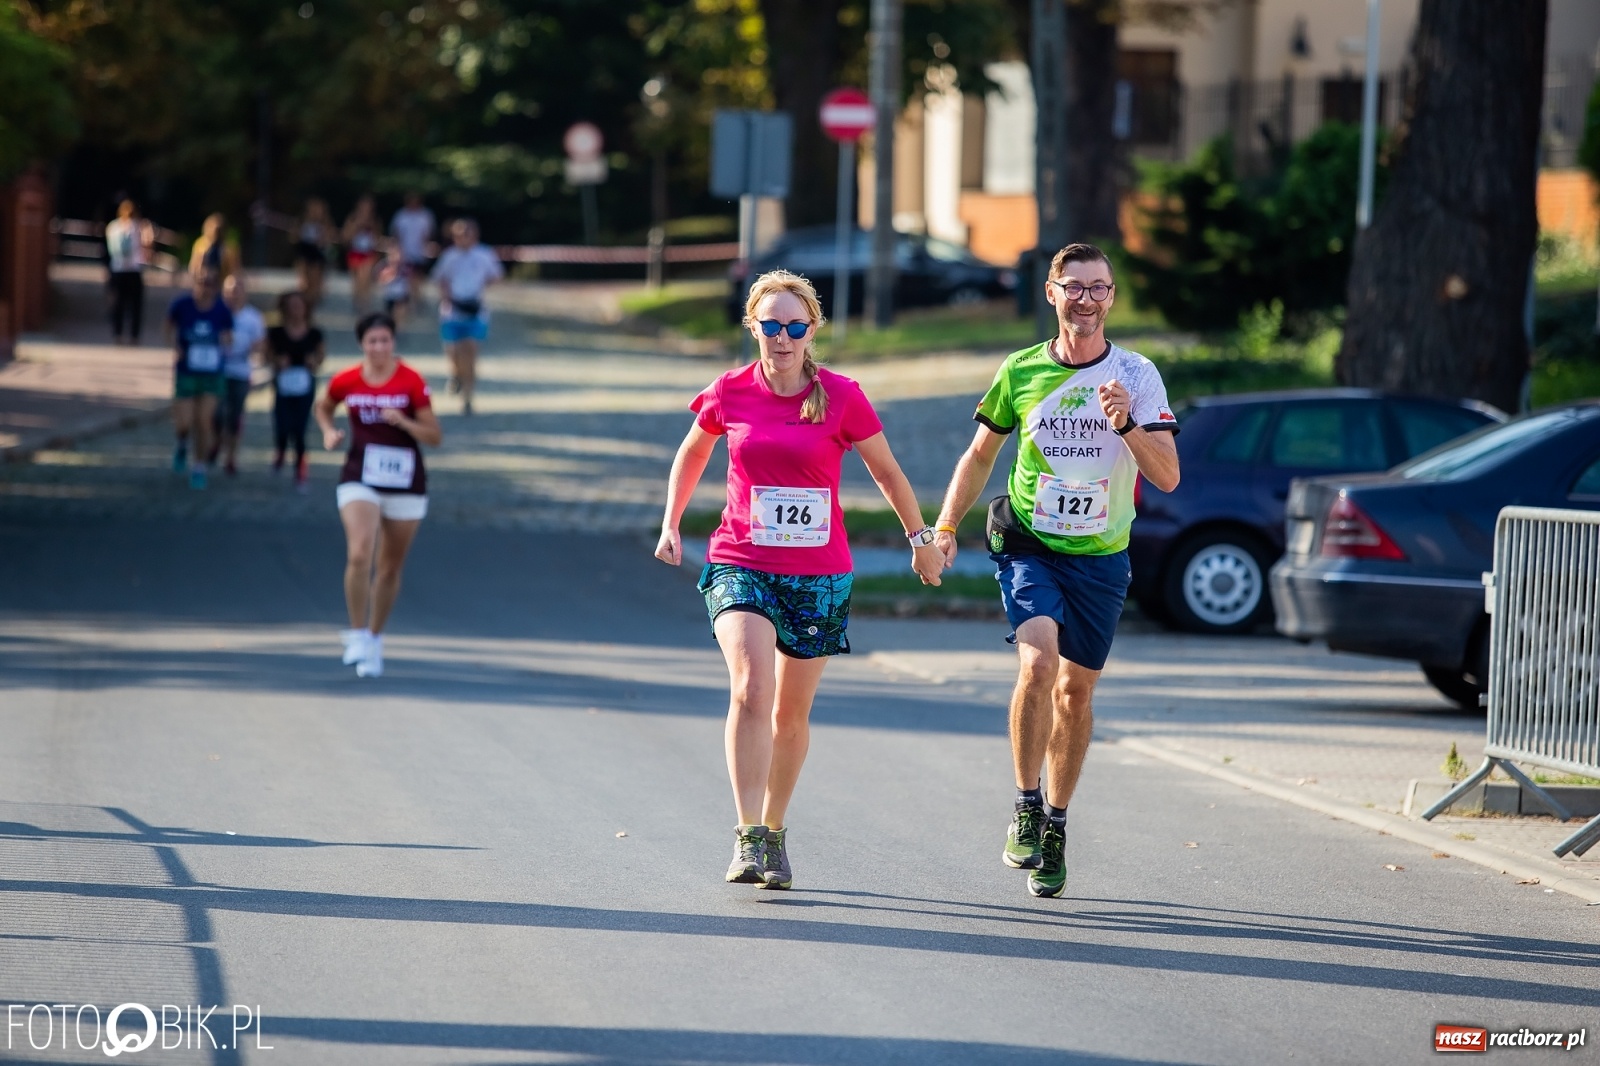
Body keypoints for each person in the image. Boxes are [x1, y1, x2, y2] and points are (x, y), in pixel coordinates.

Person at [655, 269, 945, 890]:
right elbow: (693, 452)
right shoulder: (729, 391)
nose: (781, 337)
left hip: (818, 575)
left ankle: (776, 828)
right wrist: (672, 523)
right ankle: (748, 835)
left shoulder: (842, 396)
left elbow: (889, 474)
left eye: (793, 326)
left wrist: (921, 541)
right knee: (751, 690)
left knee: (790, 713)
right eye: (770, 325)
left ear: (812, 329)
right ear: (752, 327)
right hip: (741, 560)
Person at [930, 243, 1181, 899]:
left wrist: (1126, 424)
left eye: (1100, 288)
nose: (1087, 300)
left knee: (1076, 694)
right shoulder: (1020, 371)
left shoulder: (1138, 374)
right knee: (1038, 664)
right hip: (1030, 542)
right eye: (1075, 287)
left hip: (1101, 558)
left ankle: (1057, 824)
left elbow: (1168, 475)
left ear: (1112, 298)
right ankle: (1024, 804)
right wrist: (946, 526)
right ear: (1052, 293)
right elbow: (979, 456)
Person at [314, 312, 442, 678]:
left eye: (385, 340)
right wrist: (328, 431)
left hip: (405, 481)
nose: (379, 347)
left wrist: (405, 422)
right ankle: (356, 632)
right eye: (372, 341)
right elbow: (324, 405)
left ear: (393, 343)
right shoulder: (348, 379)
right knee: (360, 551)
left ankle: (375, 636)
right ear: (361, 345)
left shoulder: (411, 381)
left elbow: (434, 435)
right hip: (360, 476)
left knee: (388, 568)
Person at [164, 269, 234, 490]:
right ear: (194, 283)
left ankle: (199, 467)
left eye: (211, 283)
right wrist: (175, 346)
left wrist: (225, 341)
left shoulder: (222, 309)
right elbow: (168, 327)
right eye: (202, 282)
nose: (206, 287)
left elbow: (229, 337)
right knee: (184, 422)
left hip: (212, 374)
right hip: (187, 371)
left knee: (204, 422)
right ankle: (182, 442)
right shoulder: (182, 305)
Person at [429, 218, 502, 416]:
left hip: (476, 310)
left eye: (467, 234)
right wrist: (447, 297)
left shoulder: (485, 255)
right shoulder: (449, 257)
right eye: (459, 234)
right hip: (452, 311)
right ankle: (456, 375)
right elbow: (439, 278)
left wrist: (480, 289)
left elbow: (495, 276)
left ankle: (468, 397)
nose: (463, 238)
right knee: (453, 352)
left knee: (470, 352)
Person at [267, 290, 326, 491]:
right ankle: (280, 451)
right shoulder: (276, 332)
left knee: (300, 429)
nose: (296, 310)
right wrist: (277, 361)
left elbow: (320, 358)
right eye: (292, 306)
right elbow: (265, 356)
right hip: (283, 385)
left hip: (304, 386)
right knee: (282, 425)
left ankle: (300, 470)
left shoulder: (314, 333)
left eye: (299, 306)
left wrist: (313, 362)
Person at [213, 274, 266, 476]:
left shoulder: (253, 317)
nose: (233, 294)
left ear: (244, 293)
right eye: (229, 290)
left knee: (235, 416)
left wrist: (250, 347)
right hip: (217, 371)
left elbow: (261, 344)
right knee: (216, 414)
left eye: (237, 290)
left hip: (241, 372)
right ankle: (217, 440)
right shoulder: (216, 312)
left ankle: (231, 457)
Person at [105, 199, 154, 344]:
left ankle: (117, 333)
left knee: (117, 303)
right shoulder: (139, 226)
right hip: (134, 269)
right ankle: (134, 335)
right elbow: (147, 245)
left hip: (118, 268)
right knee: (135, 305)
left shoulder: (113, 226)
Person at [389, 192, 435, 306]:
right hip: (404, 253)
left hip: (419, 253)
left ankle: (417, 299)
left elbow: (428, 234)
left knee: (418, 277)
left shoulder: (425, 215)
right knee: (406, 278)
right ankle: (408, 300)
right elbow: (396, 234)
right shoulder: (401, 215)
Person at [342, 194, 381, 314]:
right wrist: (357, 225)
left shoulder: (374, 220)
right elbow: (345, 237)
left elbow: (377, 238)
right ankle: (357, 300)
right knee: (357, 278)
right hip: (355, 252)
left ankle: (364, 302)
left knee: (365, 276)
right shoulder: (352, 218)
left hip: (368, 252)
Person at [294, 198, 334, 308]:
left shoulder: (324, 223)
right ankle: (306, 300)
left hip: (317, 252)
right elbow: (294, 237)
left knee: (315, 279)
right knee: (305, 280)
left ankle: (313, 300)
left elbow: (328, 239)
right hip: (304, 251)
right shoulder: (302, 221)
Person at [188, 214, 239, 282]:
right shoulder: (201, 244)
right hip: (205, 279)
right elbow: (194, 267)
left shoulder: (229, 248)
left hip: (222, 281)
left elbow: (235, 271)